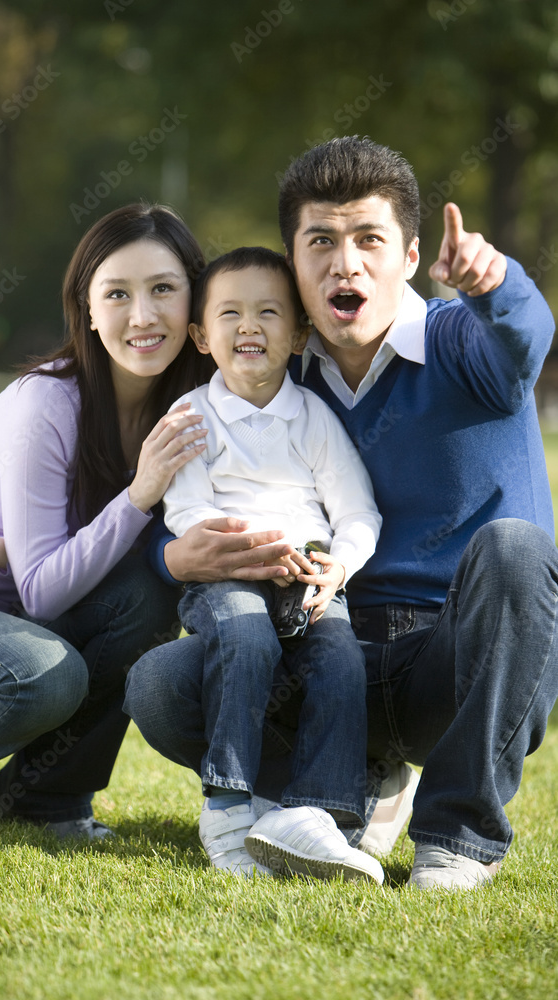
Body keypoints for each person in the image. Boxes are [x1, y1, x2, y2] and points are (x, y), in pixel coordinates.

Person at [124, 136, 558, 889]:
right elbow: (195, 496)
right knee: (162, 684)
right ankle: (346, 785)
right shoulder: (276, 380)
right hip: (319, 649)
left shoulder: (466, 342)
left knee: (517, 549)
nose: (344, 262)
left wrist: (498, 283)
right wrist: (173, 557)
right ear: (293, 263)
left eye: (368, 239)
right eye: (319, 241)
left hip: (448, 667)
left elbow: (524, 340)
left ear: (409, 254)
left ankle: (456, 837)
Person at [0, 202, 223, 840]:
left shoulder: (196, 405)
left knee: (144, 595)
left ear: (195, 301)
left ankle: (47, 796)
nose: (143, 315)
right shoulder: (45, 400)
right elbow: (44, 589)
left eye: (163, 289)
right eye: (117, 294)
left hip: (6, 608)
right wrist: (138, 494)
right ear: (89, 310)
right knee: (43, 675)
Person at [163, 246, 383, 881]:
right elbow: (186, 512)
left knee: (340, 657)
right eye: (229, 313)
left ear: (299, 335)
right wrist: (250, 551)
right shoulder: (191, 418)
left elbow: (357, 513)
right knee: (246, 637)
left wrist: (337, 567)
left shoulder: (313, 418)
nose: (249, 326)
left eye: (268, 312)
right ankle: (228, 805)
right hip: (228, 571)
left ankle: (322, 818)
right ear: (203, 337)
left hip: (310, 572)